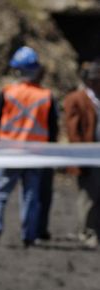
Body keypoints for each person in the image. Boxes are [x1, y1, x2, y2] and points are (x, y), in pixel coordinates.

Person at [0, 47, 58, 247]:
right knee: (31, 196)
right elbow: (52, 130)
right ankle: (29, 236)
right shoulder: (46, 96)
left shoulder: (8, 92)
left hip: (8, 153)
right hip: (35, 154)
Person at [64, 60, 100, 249]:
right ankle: (87, 233)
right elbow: (73, 131)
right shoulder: (76, 99)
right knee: (88, 198)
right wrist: (80, 155)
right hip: (88, 156)